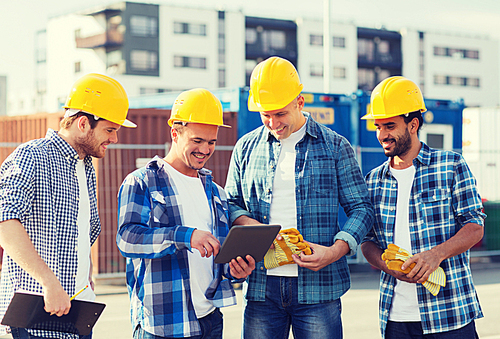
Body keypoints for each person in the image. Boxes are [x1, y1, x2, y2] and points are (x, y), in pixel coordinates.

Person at [224, 56, 374, 338]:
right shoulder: (245, 148)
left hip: (319, 287)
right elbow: (230, 205)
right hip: (260, 286)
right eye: (265, 114)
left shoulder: (335, 147)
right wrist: (254, 229)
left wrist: (335, 251)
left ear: (300, 102)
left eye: (280, 114)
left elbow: (362, 208)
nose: (272, 123)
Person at [0, 73, 136, 339]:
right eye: (110, 130)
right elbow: (5, 221)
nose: (115, 139)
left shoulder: (85, 167)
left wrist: (86, 275)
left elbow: (82, 234)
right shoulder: (32, 156)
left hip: (75, 314)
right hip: (36, 318)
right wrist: (49, 282)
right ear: (83, 123)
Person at [116, 88, 255, 339]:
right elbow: (127, 238)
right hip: (163, 325)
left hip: (210, 321)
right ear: (175, 133)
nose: (205, 149)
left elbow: (217, 256)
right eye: (197, 141)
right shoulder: (142, 182)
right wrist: (186, 236)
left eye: (211, 142)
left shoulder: (216, 192)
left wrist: (235, 270)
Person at [360, 76, 485, 338]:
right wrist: (386, 265)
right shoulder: (372, 181)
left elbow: (475, 227)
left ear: (413, 124)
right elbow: (368, 242)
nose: (382, 135)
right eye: (378, 126)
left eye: (390, 126)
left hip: (450, 315)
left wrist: (435, 255)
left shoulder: (451, 165)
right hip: (395, 318)